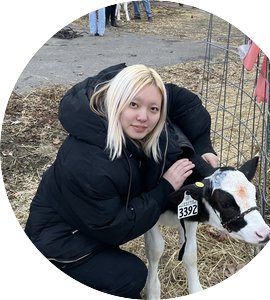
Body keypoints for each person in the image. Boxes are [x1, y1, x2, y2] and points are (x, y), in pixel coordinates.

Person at [25, 63, 219, 299]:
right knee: (130, 276)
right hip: (59, 244)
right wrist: (165, 187)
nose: (143, 117)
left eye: (153, 108)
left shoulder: (118, 128)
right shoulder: (92, 163)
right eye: (133, 104)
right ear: (115, 100)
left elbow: (183, 101)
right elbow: (114, 227)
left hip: (84, 223)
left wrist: (203, 147)